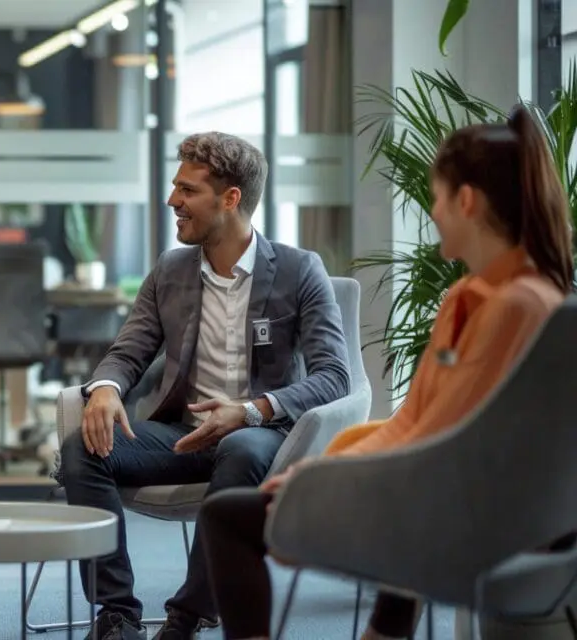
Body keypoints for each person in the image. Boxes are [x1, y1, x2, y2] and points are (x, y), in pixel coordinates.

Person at [198, 106, 573, 640]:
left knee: (228, 520)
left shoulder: (519, 306)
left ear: (466, 201)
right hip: (450, 497)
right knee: (259, 507)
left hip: (476, 519)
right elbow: (418, 421)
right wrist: (320, 475)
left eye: (437, 196)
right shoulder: (471, 296)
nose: (434, 211)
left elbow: (444, 438)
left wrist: (320, 482)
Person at [58, 132, 351, 640]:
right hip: (182, 433)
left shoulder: (301, 271)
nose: (174, 200)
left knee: (238, 448)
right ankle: (117, 615)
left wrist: (251, 410)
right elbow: (130, 350)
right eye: (176, 188)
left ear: (230, 198)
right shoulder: (171, 270)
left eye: (187, 190)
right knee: (83, 449)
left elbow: (334, 376)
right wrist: (104, 387)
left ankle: (189, 615)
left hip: (260, 435)